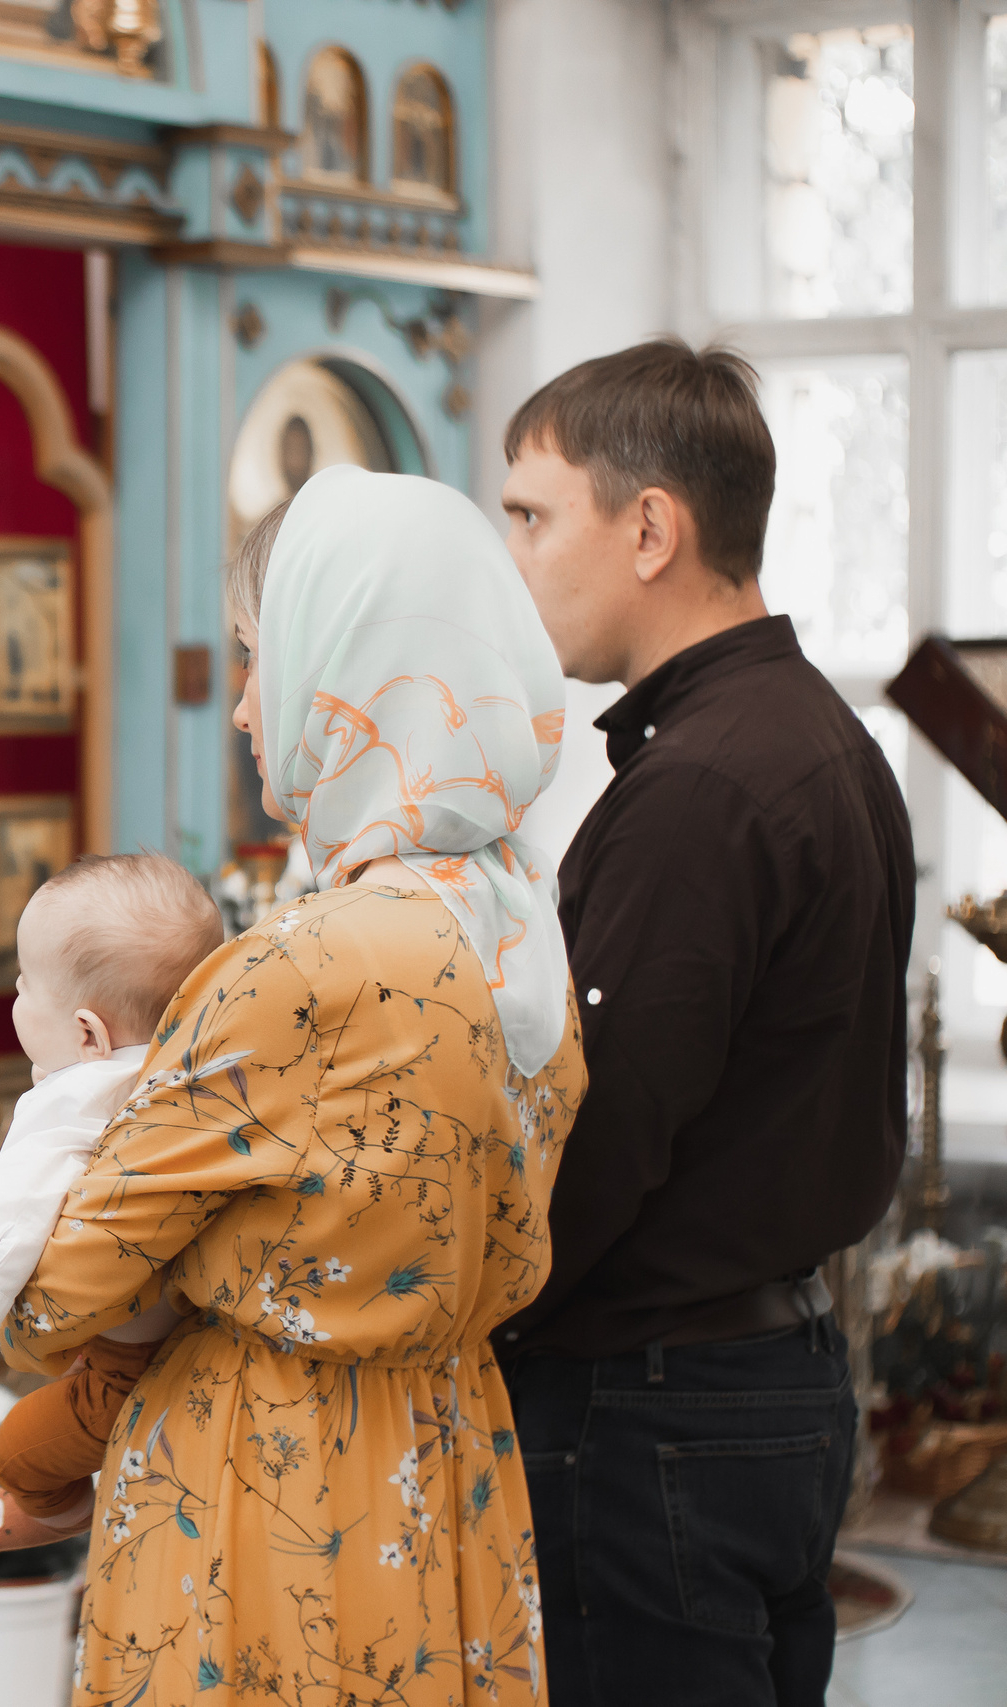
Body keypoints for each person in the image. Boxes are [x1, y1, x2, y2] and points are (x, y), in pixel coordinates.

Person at [2, 466, 583, 1707]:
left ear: (350, 672)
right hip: (441, 1457)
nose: (244, 709)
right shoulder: (519, 937)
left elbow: (52, 1295)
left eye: (265, 661)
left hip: (267, 1478)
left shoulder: (303, 964)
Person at [492, 339, 913, 1707]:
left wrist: (472, 1311)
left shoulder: (703, 786)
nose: (518, 557)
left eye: (533, 514)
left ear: (652, 526)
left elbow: (597, 1131)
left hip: (650, 1398)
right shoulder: (821, 738)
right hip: (768, 1372)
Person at [0, 852, 222, 1549]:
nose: (14, 1004)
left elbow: (8, 1213)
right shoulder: (208, 1066)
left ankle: (59, 1511)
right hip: (211, 1329)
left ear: (86, 1033)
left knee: (20, 1449)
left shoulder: (78, 1100)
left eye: (22, 989)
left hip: (131, 1363)